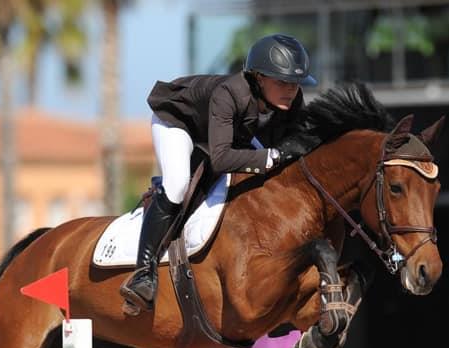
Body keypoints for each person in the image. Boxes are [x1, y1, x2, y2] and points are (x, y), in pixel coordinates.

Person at [119, 33, 318, 316]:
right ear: (259, 78)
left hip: (225, 135)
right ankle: (143, 273)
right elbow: (222, 158)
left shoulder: (291, 102)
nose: (290, 90)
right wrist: (273, 156)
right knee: (177, 185)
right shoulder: (230, 94)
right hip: (179, 124)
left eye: (295, 84)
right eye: (282, 82)